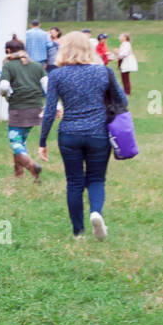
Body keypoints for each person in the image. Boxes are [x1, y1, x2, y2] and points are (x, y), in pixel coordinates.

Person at [39, 31, 128, 239]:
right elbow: (122, 101)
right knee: (97, 179)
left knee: (74, 182)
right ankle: (96, 212)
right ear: (88, 49)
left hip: (69, 134)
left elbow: (50, 111)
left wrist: (43, 141)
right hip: (98, 134)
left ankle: (78, 232)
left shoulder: (56, 75)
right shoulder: (103, 72)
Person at [0, 40, 46, 179]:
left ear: (8, 50)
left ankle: (31, 166)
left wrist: (4, 94)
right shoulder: (37, 66)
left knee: (15, 142)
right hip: (36, 108)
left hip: (18, 109)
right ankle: (18, 174)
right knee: (21, 140)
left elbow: (4, 86)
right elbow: (48, 86)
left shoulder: (9, 66)